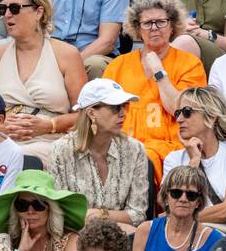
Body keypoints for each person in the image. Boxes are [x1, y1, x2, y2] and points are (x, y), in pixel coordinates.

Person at [102, 0, 207, 181]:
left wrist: (159, 72)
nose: (154, 28)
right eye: (147, 23)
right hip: (121, 144)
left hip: (168, 147)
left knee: (143, 157)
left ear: (172, 26)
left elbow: (179, 109)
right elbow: (104, 114)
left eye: (161, 22)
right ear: (138, 29)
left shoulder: (189, 64)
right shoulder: (118, 65)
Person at [0, 0, 85, 164]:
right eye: (3, 10)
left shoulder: (66, 54)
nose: (7, 15)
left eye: (15, 9)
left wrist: (50, 125)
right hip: (0, 137)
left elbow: (85, 115)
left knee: (23, 158)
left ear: (38, 12)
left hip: (49, 139)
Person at [49, 78, 151, 232]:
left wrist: (100, 215)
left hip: (120, 235)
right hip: (75, 237)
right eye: (115, 108)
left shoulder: (135, 149)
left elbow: (137, 214)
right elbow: (59, 213)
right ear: (91, 113)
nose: (123, 113)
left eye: (124, 106)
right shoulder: (61, 150)